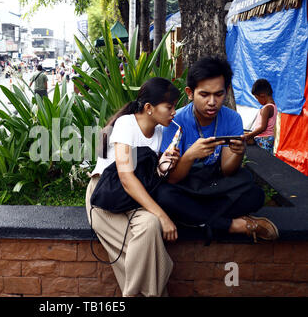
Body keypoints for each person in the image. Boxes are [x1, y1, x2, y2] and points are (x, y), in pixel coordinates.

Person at [158, 56, 279, 244]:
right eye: (204, 95)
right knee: (164, 196)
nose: (212, 102)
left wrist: (238, 153)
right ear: (190, 93)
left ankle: (195, 218)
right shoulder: (175, 121)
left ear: (227, 91)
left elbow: (227, 170)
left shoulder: (232, 119)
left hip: (213, 185)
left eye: (219, 94)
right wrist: (190, 155)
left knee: (255, 194)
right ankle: (234, 225)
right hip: (185, 185)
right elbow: (172, 178)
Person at [86, 77, 181, 297]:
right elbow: (126, 177)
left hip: (133, 200)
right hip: (105, 198)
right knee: (150, 258)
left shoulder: (159, 135)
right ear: (149, 108)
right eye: (169, 106)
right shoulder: (126, 125)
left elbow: (146, 179)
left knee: (148, 228)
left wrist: (162, 167)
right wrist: (164, 217)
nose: (174, 112)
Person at [244, 79, 277, 154]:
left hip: (263, 139)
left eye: (257, 98)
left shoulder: (267, 108)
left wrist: (248, 136)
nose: (257, 100)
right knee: (268, 157)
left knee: (263, 159)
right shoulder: (273, 106)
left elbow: (263, 128)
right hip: (268, 138)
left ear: (262, 95)